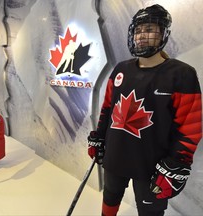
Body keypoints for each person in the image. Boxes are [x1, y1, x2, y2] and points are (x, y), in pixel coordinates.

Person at [87, 4, 202, 216]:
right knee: (109, 199)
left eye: (149, 29)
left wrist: (177, 161)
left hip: (152, 164)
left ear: (163, 33)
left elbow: (190, 126)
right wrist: (98, 136)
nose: (142, 36)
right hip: (115, 155)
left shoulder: (182, 74)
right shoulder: (121, 69)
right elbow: (107, 109)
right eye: (138, 30)